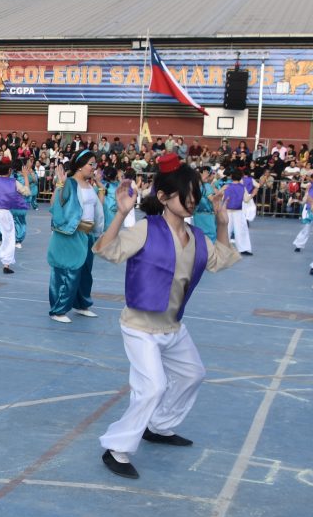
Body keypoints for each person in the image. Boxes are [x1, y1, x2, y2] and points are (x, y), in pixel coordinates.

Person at [92, 157, 239, 479]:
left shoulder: (197, 236)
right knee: (153, 387)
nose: (191, 200)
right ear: (162, 198)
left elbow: (222, 259)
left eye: (194, 194)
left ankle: (159, 427)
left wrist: (223, 222)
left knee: (193, 374)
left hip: (172, 326)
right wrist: (121, 213)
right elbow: (106, 249)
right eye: (183, 194)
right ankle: (116, 449)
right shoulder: (146, 229)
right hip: (140, 327)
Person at [47, 148, 104, 323]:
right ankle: (58, 309)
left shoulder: (90, 185)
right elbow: (55, 204)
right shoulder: (70, 183)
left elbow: (96, 209)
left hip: (87, 235)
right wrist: (59, 184)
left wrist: (100, 188)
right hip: (71, 234)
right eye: (91, 164)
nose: (93, 168)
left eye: (95, 164)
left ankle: (81, 304)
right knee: (67, 272)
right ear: (80, 166)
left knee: (85, 272)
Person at [222, 168, 253, 255]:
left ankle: (223, 248)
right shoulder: (242, 187)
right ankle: (244, 249)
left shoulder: (226, 186)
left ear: (231, 177)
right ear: (241, 177)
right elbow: (246, 199)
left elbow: (222, 199)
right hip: (238, 212)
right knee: (241, 230)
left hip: (227, 211)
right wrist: (253, 194)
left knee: (225, 230)